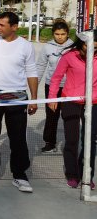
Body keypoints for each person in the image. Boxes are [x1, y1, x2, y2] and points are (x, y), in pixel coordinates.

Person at [0, 11, 38, 193]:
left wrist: (34, 99)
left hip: (17, 96)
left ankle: (20, 175)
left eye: (2, 25)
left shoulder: (26, 46)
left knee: (18, 137)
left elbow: (31, 72)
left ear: (14, 27)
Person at [48, 31, 97, 190]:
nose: (91, 50)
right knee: (72, 139)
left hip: (93, 102)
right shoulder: (69, 56)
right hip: (71, 101)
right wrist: (52, 97)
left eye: (95, 48)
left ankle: (87, 175)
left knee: (90, 140)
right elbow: (56, 77)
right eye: (88, 46)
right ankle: (72, 174)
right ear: (81, 43)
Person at [37, 20, 72, 153]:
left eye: (63, 34)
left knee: (69, 116)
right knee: (52, 115)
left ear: (67, 34)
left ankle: (70, 143)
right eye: (57, 34)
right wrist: (35, 85)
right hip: (51, 87)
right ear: (53, 34)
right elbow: (40, 66)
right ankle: (50, 142)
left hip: (69, 87)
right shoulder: (47, 47)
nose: (60, 37)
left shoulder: (73, 47)